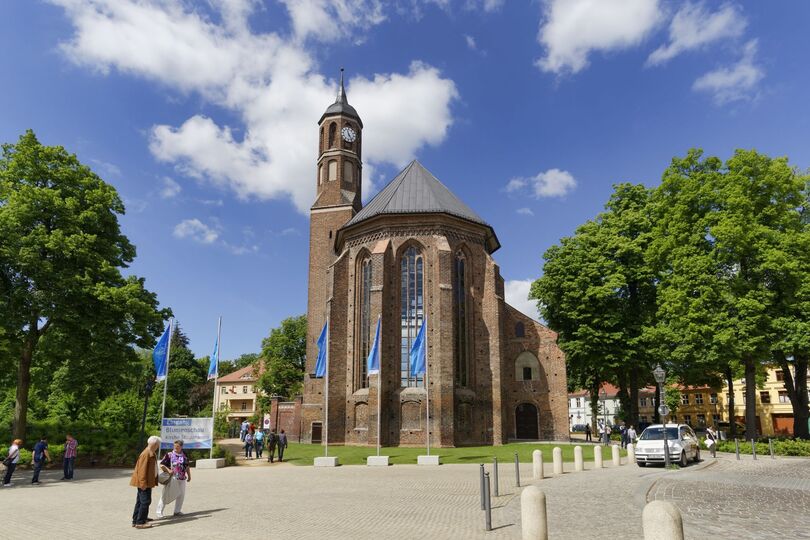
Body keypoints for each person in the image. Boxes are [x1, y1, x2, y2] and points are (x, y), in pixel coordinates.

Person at [130, 435, 161, 529]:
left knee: (140, 501)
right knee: (145, 501)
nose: (158, 446)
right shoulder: (146, 453)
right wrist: (143, 483)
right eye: (158, 444)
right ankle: (140, 522)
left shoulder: (150, 452)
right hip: (144, 483)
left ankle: (137, 519)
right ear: (155, 444)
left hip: (147, 482)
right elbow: (142, 470)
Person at [156, 440, 191, 518]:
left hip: (182, 478)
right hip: (172, 478)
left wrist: (189, 476)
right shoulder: (169, 455)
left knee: (181, 495)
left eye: (177, 446)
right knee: (165, 494)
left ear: (181, 447)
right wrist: (168, 470)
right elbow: (161, 465)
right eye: (174, 446)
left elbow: (187, 466)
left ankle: (177, 511)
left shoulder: (184, 454)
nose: (175, 448)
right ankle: (159, 512)